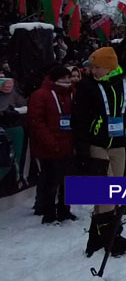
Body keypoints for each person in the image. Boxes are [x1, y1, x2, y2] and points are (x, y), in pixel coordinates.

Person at [72, 47, 126, 258]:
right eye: (91, 67)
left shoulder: (125, 82)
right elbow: (79, 117)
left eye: (97, 67)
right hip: (96, 143)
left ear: (110, 67)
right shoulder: (87, 86)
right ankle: (112, 239)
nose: (93, 71)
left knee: (114, 191)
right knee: (105, 191)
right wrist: (82, 146)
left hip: (118, 143)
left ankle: (96, 238)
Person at [28, 64, 78, 224]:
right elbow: (36, 122)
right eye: (64, 78)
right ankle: (48, 212)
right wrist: (50, 142)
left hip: (68, 144)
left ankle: (65, 210)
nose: (68, 80)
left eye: (69, 78)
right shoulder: (40, 95)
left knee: (67, 181)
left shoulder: (72, 93)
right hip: (49, 147)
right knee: (50, 181)